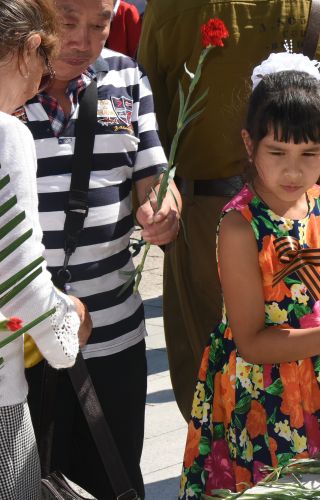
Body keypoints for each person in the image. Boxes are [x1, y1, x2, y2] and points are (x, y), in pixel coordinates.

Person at [139, 0, 320, 422]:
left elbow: (146, 127)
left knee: (219, 403)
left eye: (308, 150)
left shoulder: (172, 7)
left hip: (199, 225)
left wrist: (165, 211)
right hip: (304, 218)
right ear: (250, 145)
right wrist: (315, 214)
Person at [178, 54, 320, 498]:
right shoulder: (241, 225)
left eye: (310, 154)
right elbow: (254, 342)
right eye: (277, 152)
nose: (294, 170)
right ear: (249, 145)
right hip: (259, 395)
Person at [21, 0, 181, 498]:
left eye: (99, 25)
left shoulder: (127, 79)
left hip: (113, 337)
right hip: (22, 346)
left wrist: (165, 208)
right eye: (67, 22)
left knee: (113, 482)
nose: (83, 42)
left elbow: (154, 174)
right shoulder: (7, 85)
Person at [0, 1, 91, 497]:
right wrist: (68, 325)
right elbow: (20, 281)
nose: (30, 95)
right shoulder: (7, 135)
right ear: (31, 47)